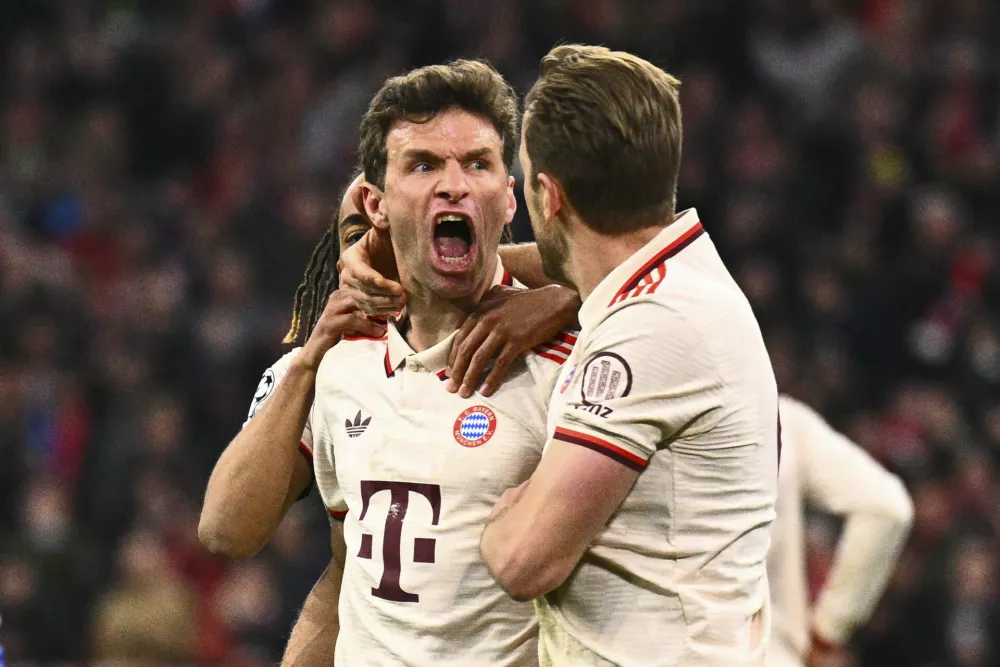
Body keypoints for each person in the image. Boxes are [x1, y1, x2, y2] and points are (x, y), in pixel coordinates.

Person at [474, 44, 778, 666]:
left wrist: (507, 509)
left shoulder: (650, 332)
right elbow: (580, 268)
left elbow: (523, 560)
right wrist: (449, 271)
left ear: (549, 196)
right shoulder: (681, 282)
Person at [768, 396, 913, 667]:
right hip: (772, 654)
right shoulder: (781, 418)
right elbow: (887, 506)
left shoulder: (679, 418)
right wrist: (827, 632)